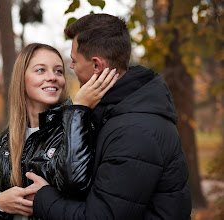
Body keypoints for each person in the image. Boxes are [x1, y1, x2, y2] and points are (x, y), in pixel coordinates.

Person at [26, 14, 192, 219]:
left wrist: (43, 198)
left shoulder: (133, 132)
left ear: (97, 66)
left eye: (74, 60)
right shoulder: (115, 113)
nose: (71, 67)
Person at [0, 43, 119, 219]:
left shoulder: (77, 127)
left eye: (58, 71)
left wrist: (78, 111)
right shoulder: (8, 141)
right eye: (41, 70)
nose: (52, 77)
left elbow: (75, 183)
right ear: (21, 79)